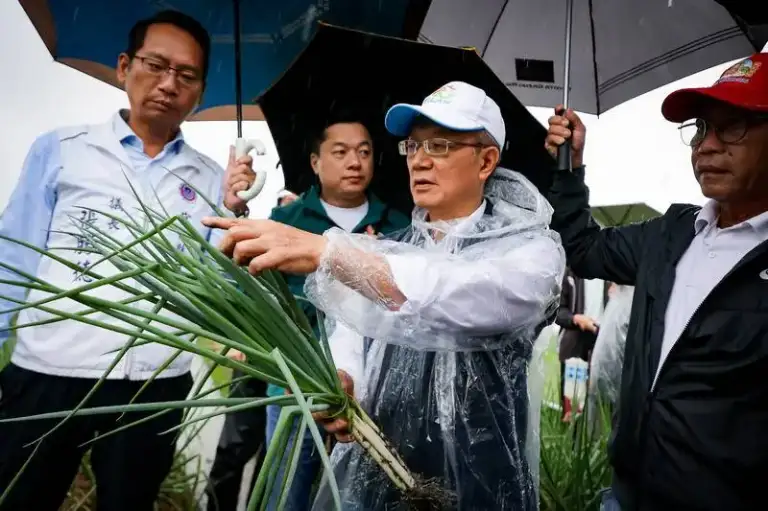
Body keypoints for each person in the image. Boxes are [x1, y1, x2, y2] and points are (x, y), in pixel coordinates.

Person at [205, 81, 565, 510]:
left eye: (441, 146)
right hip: (384, 471)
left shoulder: (531, 251)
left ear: (486, 161)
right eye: (413, 147)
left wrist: (330, 251)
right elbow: (350, 330)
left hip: (483, 476)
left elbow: (471, 296)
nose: (420, 161)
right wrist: (345, 379)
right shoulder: (392, 246)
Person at [0, 11, 256, 511]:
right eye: (155, 65)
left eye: (186, 75)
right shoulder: (62, 149)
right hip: (49, 370)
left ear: (200, 91)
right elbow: (13, 252)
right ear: (123, 67)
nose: (168, 84)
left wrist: (234, 209)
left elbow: (215, 285)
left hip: (154, 384)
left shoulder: (208, 178)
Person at [544, 53, 768, 511]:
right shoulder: (668, 234)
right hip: (626, 497)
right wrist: (569, 167)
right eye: (701, 130)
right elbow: (582, 247)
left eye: (732, 128)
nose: (706, 146)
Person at [262, 112, 410, 510]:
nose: (355, 162)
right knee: (285, 496)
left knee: (363, 498)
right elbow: (267, 308)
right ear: (315, 162)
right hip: (297, 386)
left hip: (375, 394)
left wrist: (379, 266)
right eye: (340, 152)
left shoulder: (399, 225)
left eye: (364, 152)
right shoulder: (284, 223)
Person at [555, 267, 598, 419]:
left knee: (598, 404)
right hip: (573, 344)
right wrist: (575, 319)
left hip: (602, 343)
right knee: (571, 407)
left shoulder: (614, 273)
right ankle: (570, 437)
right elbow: (557, 311)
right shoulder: (570, 271)